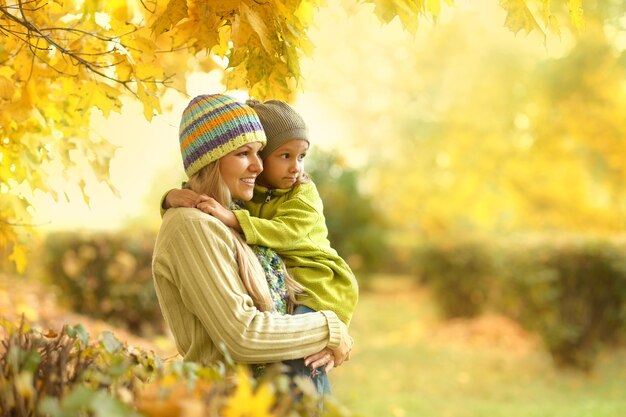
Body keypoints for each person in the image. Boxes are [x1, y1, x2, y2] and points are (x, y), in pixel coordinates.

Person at [163, 99, 359, 393]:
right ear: (210, 160)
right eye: (244, 153)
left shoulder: (242, 209)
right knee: (301, 374)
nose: (258, 165)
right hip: (226, 399)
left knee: (305, 374)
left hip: (323, 286)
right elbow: (242, 335)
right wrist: (330, 331)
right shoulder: (197, 224)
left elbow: (283, 233)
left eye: (258, 153)